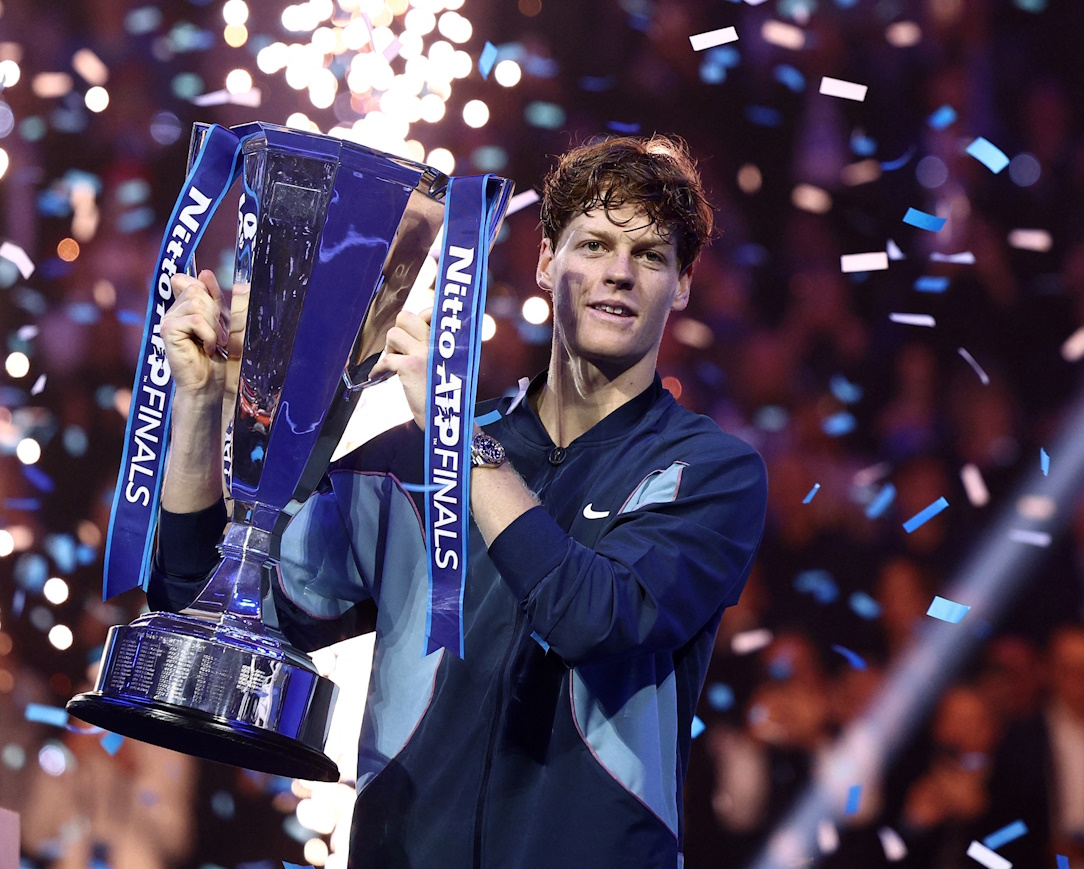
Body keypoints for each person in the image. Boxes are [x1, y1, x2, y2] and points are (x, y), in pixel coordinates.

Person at [147, 135, 768, 868]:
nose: (619, 274)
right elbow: (201, 601)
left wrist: (456, 432)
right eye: (595, 243)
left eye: (651, 256)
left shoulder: (709, 472)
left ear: (683, 285)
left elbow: (592, 616)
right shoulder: (406, 464)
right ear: (544, 262)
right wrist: (198, 405)